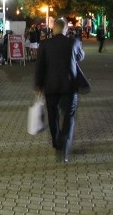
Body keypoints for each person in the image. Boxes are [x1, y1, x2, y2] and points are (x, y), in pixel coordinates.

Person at [34, 18, 86, 164]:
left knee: (53, 115)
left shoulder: (45, 44)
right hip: (69, 86)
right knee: (69, 116)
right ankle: (64, 146)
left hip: (50, 86)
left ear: (53, 29)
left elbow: (40, 67)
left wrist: (38, 85)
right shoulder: (73, 42)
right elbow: (81, 56)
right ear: (66, 30)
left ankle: (56, 142)